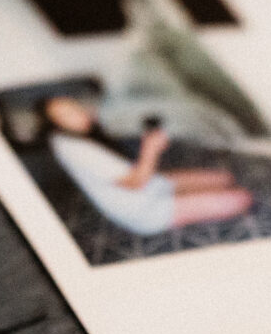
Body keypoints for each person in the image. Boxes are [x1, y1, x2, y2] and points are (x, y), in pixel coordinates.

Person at [38, 94, 252, 237]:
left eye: (75, 107)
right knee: (241, 198)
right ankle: (182, 214)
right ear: (55, 123)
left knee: (222, 178)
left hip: (148, 184)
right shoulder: (76, 148)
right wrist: (150, 149)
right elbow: (136, 182)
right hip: (143, 210)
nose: (80, 113)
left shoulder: (64, 137)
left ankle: (189, 202)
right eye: (66, 114)